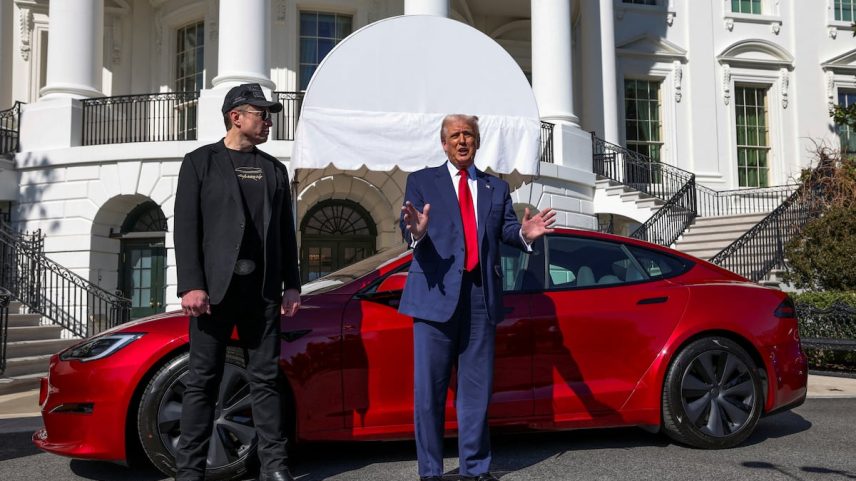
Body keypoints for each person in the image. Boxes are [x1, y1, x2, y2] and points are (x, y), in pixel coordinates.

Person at [399, 114, 556, 481]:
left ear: (477, 141)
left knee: (476, 391)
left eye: (468, 134)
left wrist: (524, 235)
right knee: (429, 393)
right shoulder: (422, 181)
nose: (462, 141)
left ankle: (475, 469)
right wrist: (418, 233)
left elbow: (506, 231)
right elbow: (409, 228)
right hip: (434, 298)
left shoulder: (494, 188)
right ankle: (431, 472)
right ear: (443, 143)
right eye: (454, 135)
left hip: (480, 297)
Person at [174, 83, 301, 481]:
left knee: (265, 382)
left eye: (268, 114)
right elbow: (186, 228)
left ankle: (275, 469)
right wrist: (191, 284)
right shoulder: (199, 162)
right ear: (236, 116)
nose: (268, 121)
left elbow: (285, 231)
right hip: (213, 293)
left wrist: (292, 283)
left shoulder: (274, 169)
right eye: (262, 114)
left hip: (262, 293)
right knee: (202, 382)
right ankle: (190, 472)